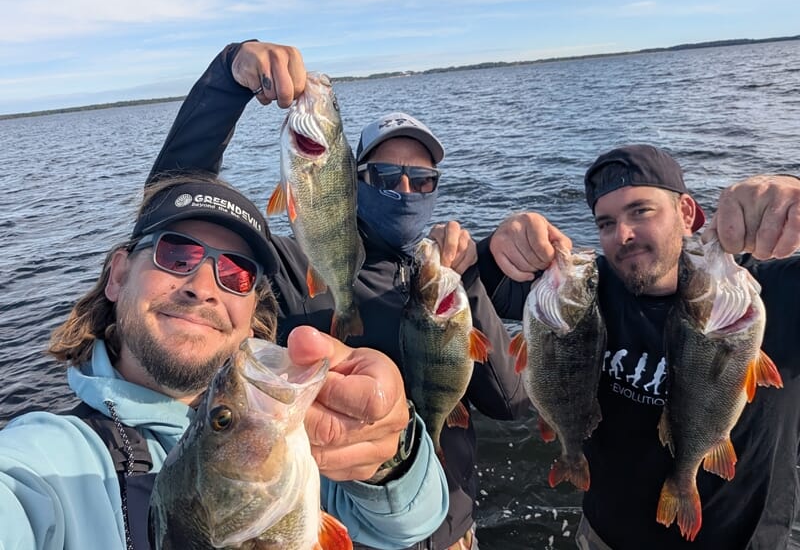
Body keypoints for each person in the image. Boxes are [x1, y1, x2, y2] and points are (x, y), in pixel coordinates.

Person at [148, 40, 531, 549]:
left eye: (422, 179)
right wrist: (225, 81)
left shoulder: (444, 279)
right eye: (385, 176)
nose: (405, 190)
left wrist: (473, 278)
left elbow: (510, 402)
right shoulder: (295, 268)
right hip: (340, 531)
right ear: (350, 177)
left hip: (452, 532)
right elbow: (175, 210)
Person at [0, 172, 449, 549]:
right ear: (119, 275)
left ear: (253, 311)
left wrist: (390, 449)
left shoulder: (288, 430)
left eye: (236, 273)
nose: (203, 286)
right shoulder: (44, 462)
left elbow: (411, 521)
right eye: (176, 254)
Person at [475, 143, 800, 549]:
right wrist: (498, 246)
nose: (623, 236)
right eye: (606, 223)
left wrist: (791, 195)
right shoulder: (583, 293)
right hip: (603, 537)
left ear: (685, 213)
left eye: (641, 211)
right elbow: (476, 286)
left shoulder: (777, 292)